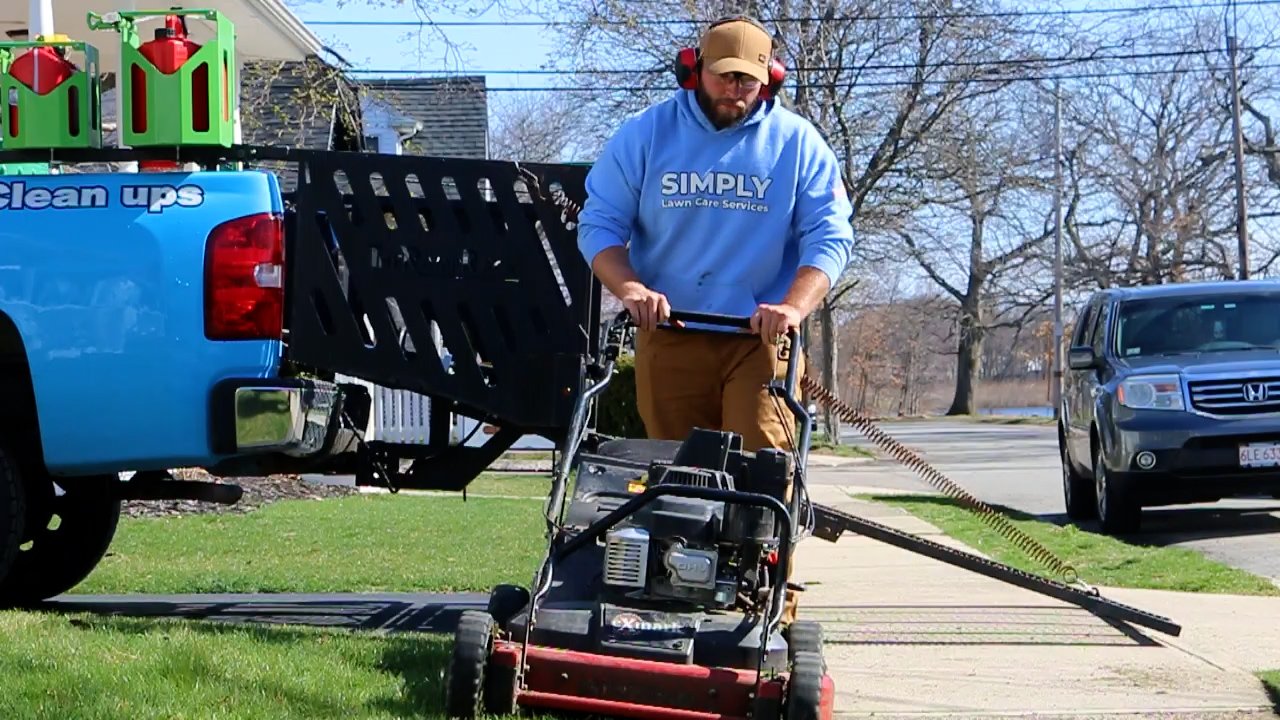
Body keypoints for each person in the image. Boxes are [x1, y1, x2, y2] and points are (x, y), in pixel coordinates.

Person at [576, 13, 855, 456]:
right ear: (693, 68)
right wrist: (631, 289)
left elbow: (831, 234)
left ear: (770, 80)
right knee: (677, 479)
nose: (734, 90)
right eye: (724, 76)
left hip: (760, 341)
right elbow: (598, 224)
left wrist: (792, 306)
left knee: (759, 474)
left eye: (748, 80)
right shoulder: (645, 135)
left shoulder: (799, 144)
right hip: (670, 332)